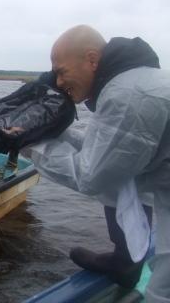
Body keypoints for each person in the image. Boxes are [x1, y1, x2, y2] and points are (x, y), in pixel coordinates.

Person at [25, 25, 169, 302]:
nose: (57, 83)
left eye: (61, 72)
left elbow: (92, 176)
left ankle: (127, 262)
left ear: (92, 60)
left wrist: (27, 144)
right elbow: (104, 150)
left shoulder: (127, 96)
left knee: (162, 291)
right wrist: (48, 129)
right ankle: (125, 259)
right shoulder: (129, 83)